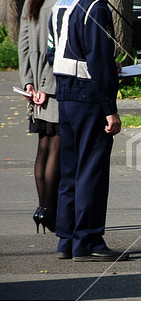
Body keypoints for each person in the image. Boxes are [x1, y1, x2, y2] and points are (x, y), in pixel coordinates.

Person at [47, 0, 129, 261]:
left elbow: (51, 52)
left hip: (66, 92)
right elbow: (100, 59)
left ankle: (67, 239)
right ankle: (88, 241)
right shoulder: (97, 8)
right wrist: (110, 108)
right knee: (92, 170)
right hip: (89, 96)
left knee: (70, 170)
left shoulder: (60, 5)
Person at [18, 0, 60, 234]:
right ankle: (50, 210)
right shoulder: (57, 3)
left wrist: (28, 82)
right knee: (56, 147)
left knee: (43, 146)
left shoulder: (32, 1)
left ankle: (42, 208)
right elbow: (55, 46)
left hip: (35, 82)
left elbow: (23, 43)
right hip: (53, 83)